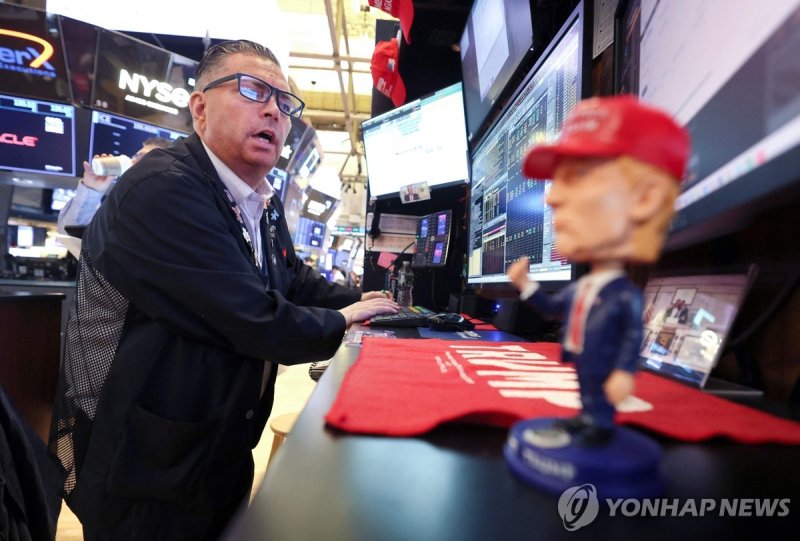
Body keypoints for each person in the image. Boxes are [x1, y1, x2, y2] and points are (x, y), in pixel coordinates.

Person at [48, 40, 398, 539]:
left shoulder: (260, 201)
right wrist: (343, 322)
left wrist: (365, 303)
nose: (274, 110)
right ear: (200, 108)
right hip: (146, 469)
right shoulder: (164, 188)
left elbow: (293, 280)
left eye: (285, 101)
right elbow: (250, 317)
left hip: (214, 450)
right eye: (253, 90)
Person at [507, 95, 690, 446]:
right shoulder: (584, 287)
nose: (551, 198)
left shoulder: (623, 295)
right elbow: (551, 307)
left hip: (602, 361)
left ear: (645, 199)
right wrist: (526, 284)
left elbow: (632, 336)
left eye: (577, 176)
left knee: (598, 391)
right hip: (581, 358)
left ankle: (600, 422)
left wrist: (624, 372)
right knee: (586, 388)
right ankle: (587, 416)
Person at [56, 137, 173, 236]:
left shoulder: (171, 218)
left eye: (143, 158)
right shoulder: (119, 208)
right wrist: (92, 190)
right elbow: (68, 234)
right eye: (135, 156)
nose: (133, 162)